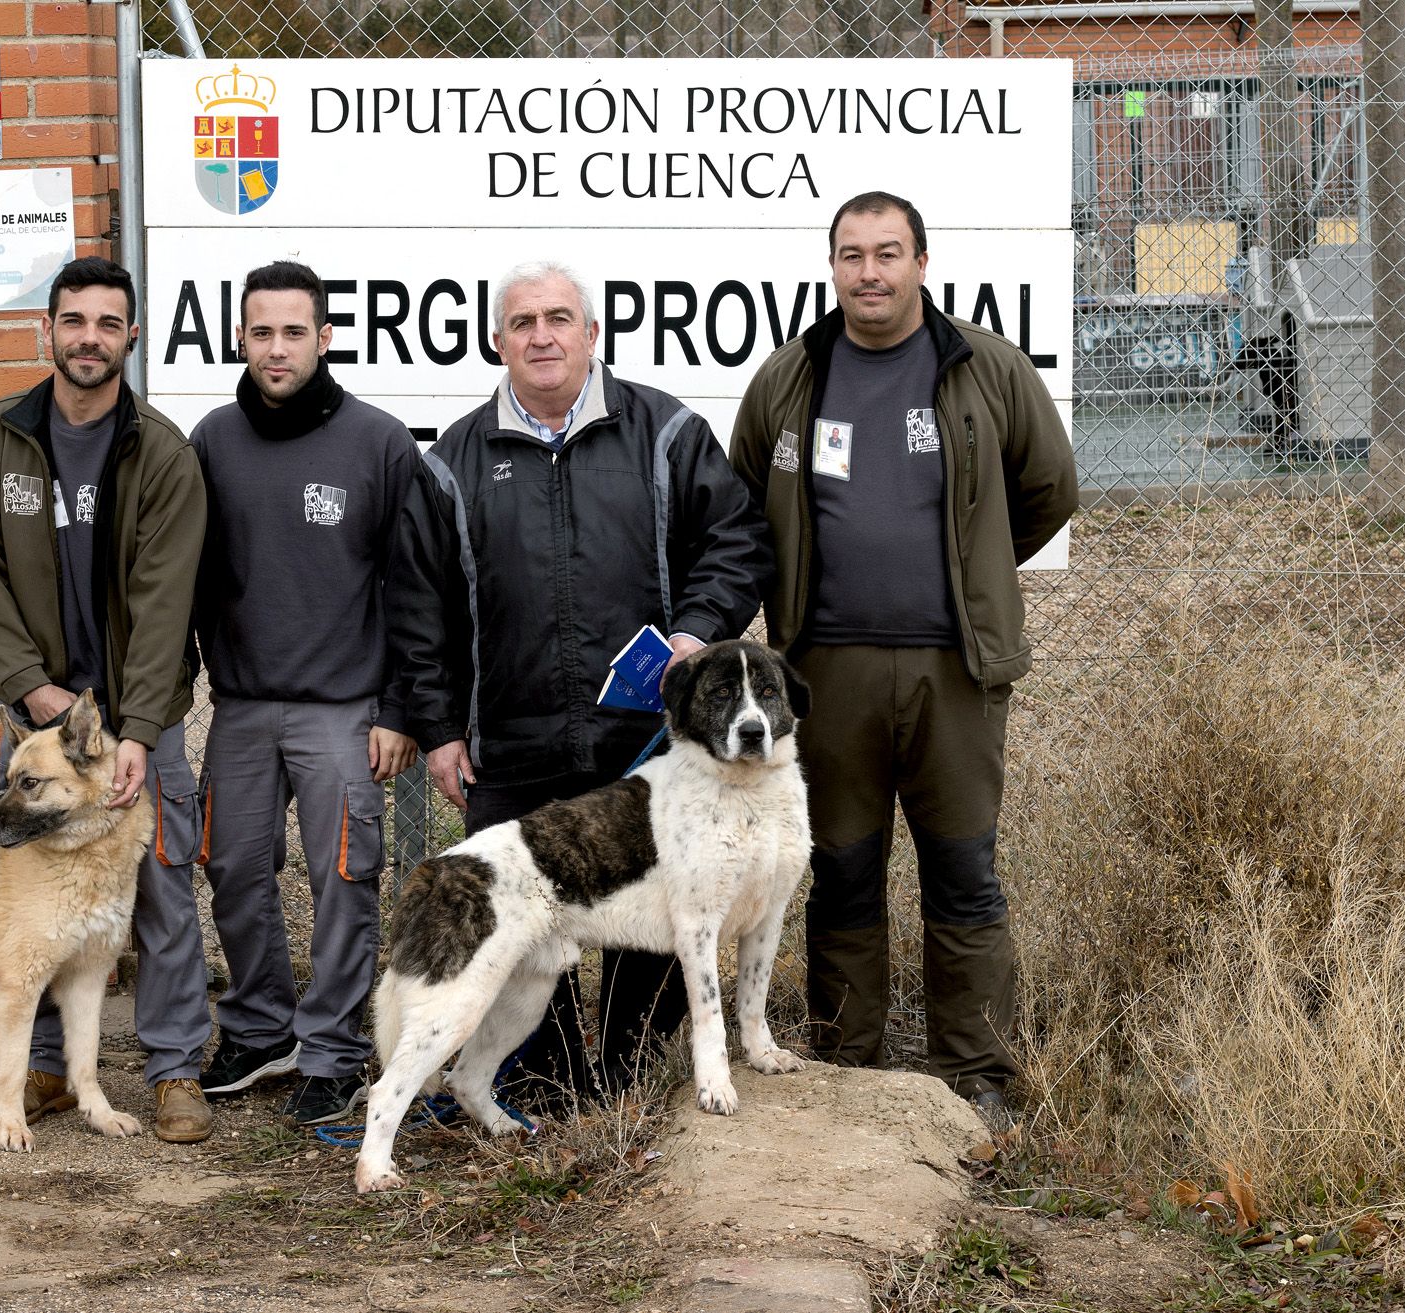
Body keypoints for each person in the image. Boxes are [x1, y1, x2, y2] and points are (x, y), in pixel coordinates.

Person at [728, 191, 1077, 1127]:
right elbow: (745, 498)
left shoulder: (985, 368)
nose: (869, 272)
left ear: (922, 263)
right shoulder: (790, 378)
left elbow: (1049, 487)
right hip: (825, 673)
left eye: (887, 253)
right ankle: (849, 1062)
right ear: (831, 267)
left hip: (953, 671)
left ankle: (975, 1074)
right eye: (852, 255)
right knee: (842, 867)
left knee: (961, 867)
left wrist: (972, 569)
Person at [388, 259, 764, 1102]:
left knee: (657, 909)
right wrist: (440, 730)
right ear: (497, 341)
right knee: (521, 922)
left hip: (645, 741)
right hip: (511, 742)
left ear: (592, 334)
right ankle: (548, 1084)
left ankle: (630, 1079)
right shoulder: (451, 462)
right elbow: (418, 610)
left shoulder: (665, 433)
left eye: (559, 318)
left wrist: (694, 630)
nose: (542, 336)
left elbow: (737, 541)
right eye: (522, 323)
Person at [0, 256, 216, 1143]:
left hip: (138, 725)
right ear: (48, 329)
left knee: (162, 895)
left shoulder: (163, 452)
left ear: (131, 336)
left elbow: (166, 604)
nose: (89, 338)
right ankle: (47, 1069)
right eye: (74, 320)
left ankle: (175, 1068)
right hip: (39, 722)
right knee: (36, 900)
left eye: (108, 323)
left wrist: (134, 730)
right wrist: (31, 688)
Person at [188, 260, 420, 1126]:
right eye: (262, 332)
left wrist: (400, 706)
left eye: (294, 332)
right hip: (242, 705)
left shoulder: (378, 442)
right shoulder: (211, 440)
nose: (277, 348)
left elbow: (416, 588)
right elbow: (183, 576)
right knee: (232, 868)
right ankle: (259, 1028)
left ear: (324, 337)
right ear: (239, 339)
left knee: (344, 880)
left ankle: (331, 1051)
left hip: (344, 709)